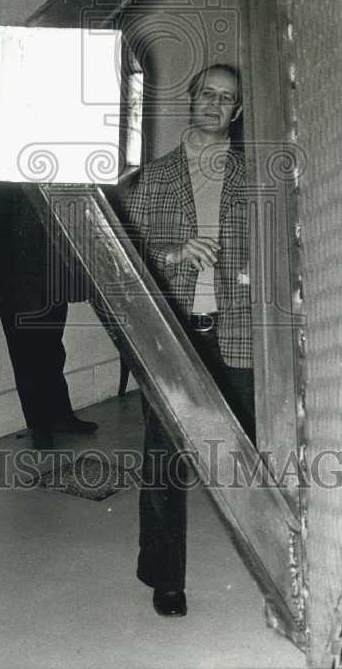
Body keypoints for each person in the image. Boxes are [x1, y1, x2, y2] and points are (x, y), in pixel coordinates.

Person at [125, 63, 254, 618]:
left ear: (238, 112)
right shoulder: (153, 179)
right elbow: (126, 261)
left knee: (250, 453)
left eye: (227, 99)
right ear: (190, 98)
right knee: (164, 459)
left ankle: (270, 558)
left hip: (240, 333)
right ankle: (164, 576)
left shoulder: (258, 177)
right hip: (175, 332)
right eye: (207, 93)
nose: (215, 104)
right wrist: (176, 256)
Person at [0, 181, 99, 449]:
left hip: (49, 286)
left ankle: (59, 417)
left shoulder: (57, 184)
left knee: (52, 353)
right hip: (18, 290)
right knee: (28, 361)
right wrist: (19, 275)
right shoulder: (4, 185)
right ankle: (39, 426)